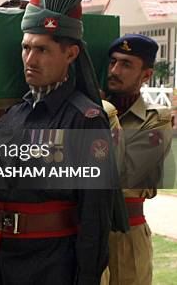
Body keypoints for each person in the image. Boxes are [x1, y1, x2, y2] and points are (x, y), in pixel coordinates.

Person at [0, 0, 127, 285]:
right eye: (25, 48)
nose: (30, 60)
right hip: (6, 261)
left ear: (70, 54)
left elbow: (95, 220)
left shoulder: (85, 121)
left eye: (42, 50)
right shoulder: (14, 116)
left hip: (55, 267)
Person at [100, 34, 172, 285]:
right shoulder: (86, 111)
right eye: (112, 62)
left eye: (126, 64)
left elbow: (122, 176)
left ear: (146, 75)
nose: (115, 70)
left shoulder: (157, 120)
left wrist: (104, 115)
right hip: (82, 229)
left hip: (125, 234)